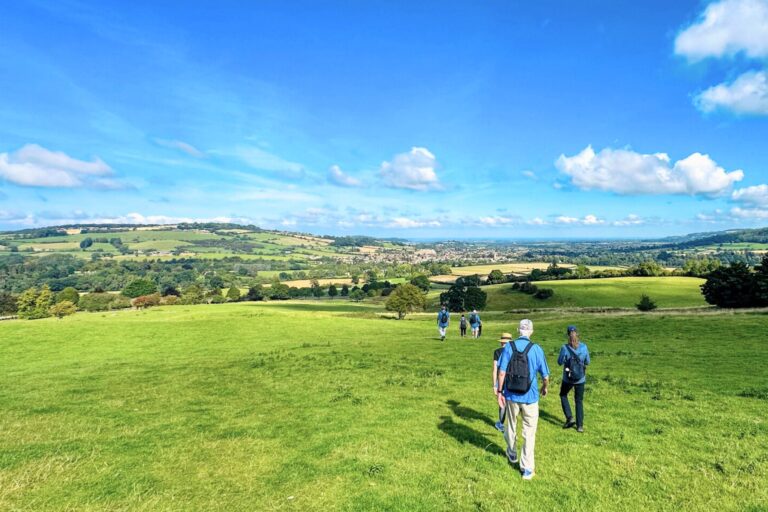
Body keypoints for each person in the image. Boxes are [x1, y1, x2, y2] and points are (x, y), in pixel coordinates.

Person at [496, 319, 550, 480]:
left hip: (511, 394)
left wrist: (499, 392)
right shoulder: (536, 349)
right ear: (531, 331)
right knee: (529, 432)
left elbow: (501, 372)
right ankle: (527, 469)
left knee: (511, 425)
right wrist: (545, 387)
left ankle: (512, 453)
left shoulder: (508, 347)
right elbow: (545, 376)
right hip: (530, 397)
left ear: (518, 330)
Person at [558, 325, 590, 433]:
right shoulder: (584, 347)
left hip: (568, 378)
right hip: (580, 378)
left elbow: (559, 362)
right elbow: (587, 362)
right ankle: (580, 426)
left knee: (563, 395)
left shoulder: (564, 348)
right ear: (577, 333)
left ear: (568, 335)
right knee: (579, 401)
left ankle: (570, 417)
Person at [493, 333, 513, 432]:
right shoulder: (514, 351)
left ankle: (501, 424)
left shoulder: (497, 352)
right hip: (512, 379)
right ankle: (511, 424)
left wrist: (494, 385)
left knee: (502, 402)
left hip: (502, 379)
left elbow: (495, 369)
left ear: (501, 342)